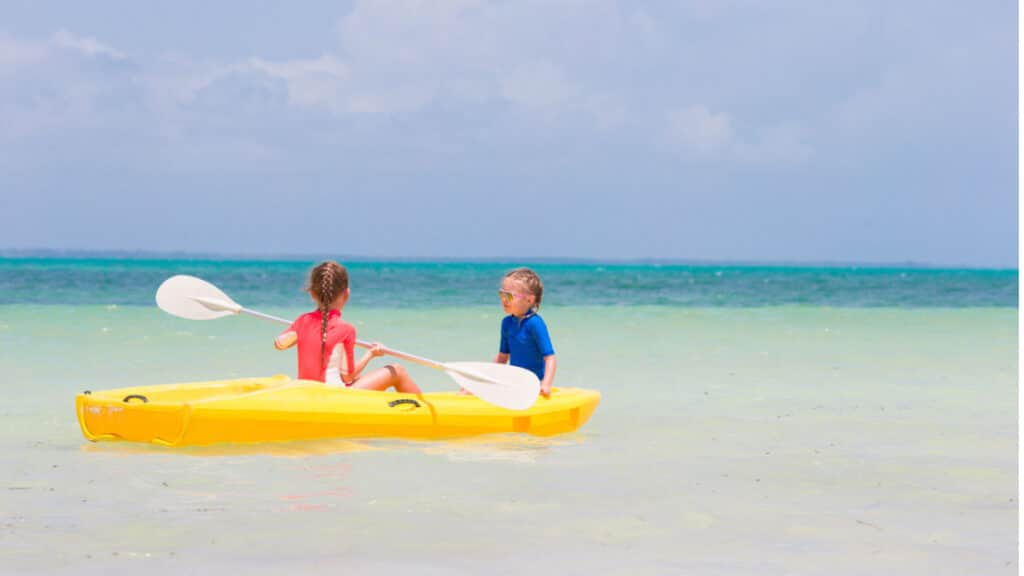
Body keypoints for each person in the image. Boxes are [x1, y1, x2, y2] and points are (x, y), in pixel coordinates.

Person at [274, 261, 421, 393]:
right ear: (347, 294)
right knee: (397, 370)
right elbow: (348, 377)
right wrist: (370, 354)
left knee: (362, 378)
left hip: (308, 391)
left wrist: (299, 332)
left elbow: (279, 344)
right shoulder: (346, 329)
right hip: (335, 396)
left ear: (312, 294)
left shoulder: (302, 320)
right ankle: (425, 416)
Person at [495, 267, 557, 397]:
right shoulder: (506, 323)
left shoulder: (535, 323)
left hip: (534, 384)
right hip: (515, 383)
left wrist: (546, 384)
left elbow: (550, 357)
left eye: (509, 296)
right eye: (502, 294)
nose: (504, 300)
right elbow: (502, 357)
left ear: (529, 300)